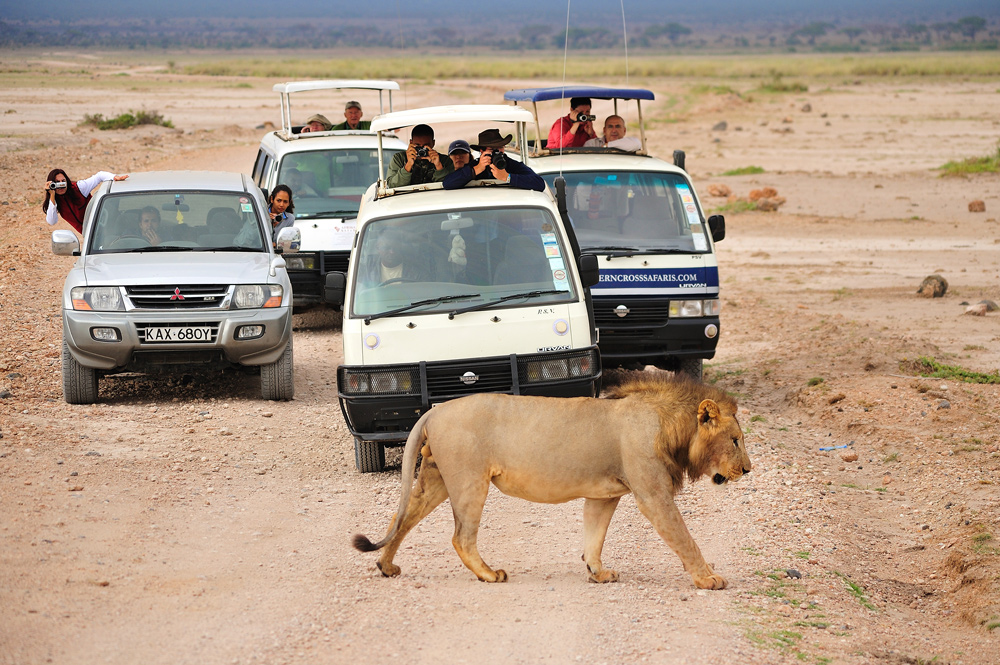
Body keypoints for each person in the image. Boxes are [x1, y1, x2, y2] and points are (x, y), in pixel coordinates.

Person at [443, 129, 545, 192]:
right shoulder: (474, 165)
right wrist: (476, 170)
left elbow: (539, 184)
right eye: (492, 150)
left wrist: (507, 177)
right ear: (482, 151)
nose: (497, 153)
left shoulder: (509, 164)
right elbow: (448, 183)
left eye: (500, 148)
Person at [43, 168, 129, 233]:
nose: (61, 186)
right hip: (89, 235)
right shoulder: (54, 201)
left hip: (106, 223)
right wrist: (52, 195)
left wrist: (114, 177)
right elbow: (51, 221)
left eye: (63, 181)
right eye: (57, 183)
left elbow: (99, 176)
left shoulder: (79, 188)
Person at [385, 124, 454, 188]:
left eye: (425, 146)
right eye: (418, 146)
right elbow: (392, 185)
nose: (421, 150)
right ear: (411, 142)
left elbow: (451, 183)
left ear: (433, 143)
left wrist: (438, 166)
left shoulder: (444, 160)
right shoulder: (399, 159)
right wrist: (408, 165)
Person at [359, 228, 431, 287]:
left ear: (401, 247)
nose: (392, 252)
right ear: (378, 248)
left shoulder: (417, 271)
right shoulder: (367, 269)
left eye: (395, 248)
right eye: (387, 248)